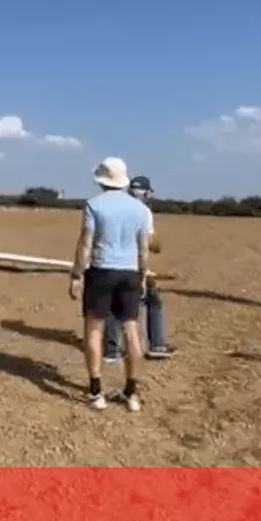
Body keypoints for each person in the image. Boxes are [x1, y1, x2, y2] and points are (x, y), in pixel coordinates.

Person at [68, 157, 151, 411]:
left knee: (94, 330)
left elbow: (86, 243)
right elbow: (144, 248)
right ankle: (132, 393)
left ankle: (96, 391)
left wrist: (77, 274)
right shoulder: (140, 209)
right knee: (131, 330)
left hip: (102, 271)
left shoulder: (94, 205)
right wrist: (143, 275)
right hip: (129, 273)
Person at [103, 175, 176, 364]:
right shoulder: (142, 211)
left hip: (109, 263)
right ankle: (157, 345)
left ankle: (111, 350)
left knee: (113, 305)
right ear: (145, 192)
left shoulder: (111, 207)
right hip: (132, 266)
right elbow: (148, 243)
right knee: (152, 300)